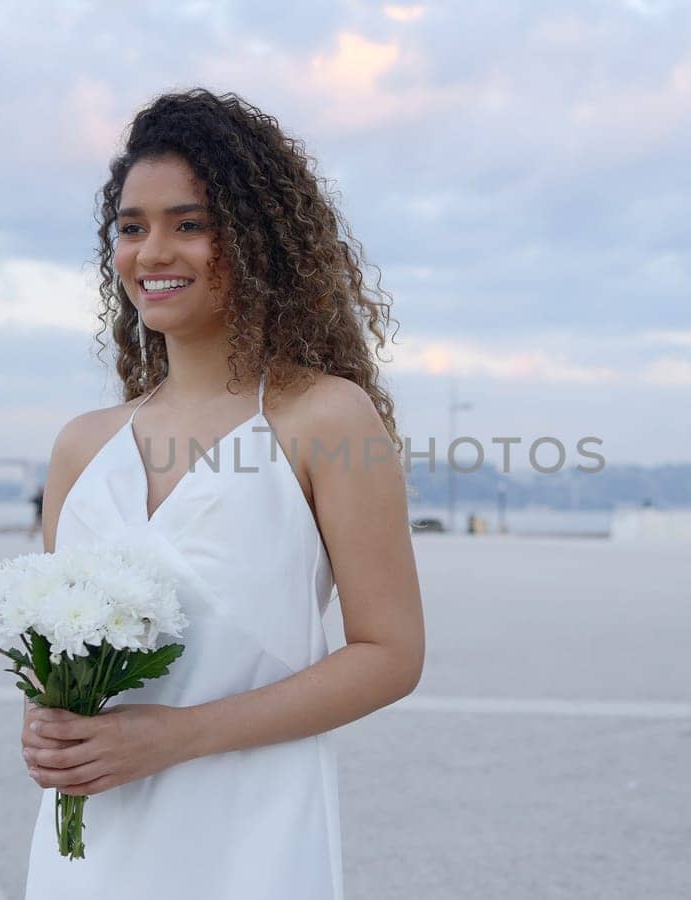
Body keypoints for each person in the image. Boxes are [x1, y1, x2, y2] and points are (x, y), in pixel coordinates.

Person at [21, 88, 425, 899]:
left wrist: (179, 736)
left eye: (190, 223)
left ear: (257, 238)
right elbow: (56, 652)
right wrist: (47, 726)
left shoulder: (323, 417)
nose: (152, 251)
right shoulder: (81, 446)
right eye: (131, 227)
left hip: (251, 840)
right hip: (91, 851)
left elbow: (390, 654)